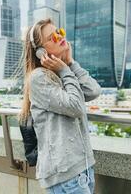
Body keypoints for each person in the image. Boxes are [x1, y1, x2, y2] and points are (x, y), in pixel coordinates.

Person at [18, 18, 101, 194]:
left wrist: (70, 63)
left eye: (59, 32)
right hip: (65, 175)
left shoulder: (63, 74)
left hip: (82, 167)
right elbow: (76, 106)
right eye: (51, 38)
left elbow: (93, 90)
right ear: (41, 53)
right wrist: (65, 70)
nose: (59, 37)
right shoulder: (39, 78)